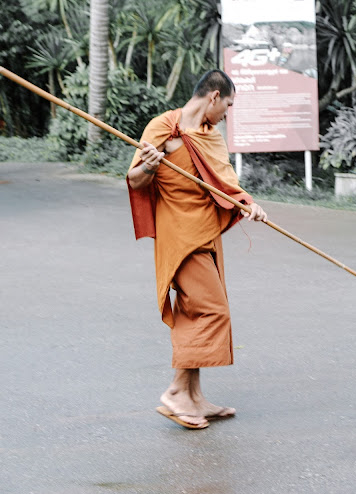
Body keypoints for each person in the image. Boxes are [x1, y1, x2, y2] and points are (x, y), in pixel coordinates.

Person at [127, 69, 267, 429]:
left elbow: (226, 182)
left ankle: (195, 397)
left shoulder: (210, 136)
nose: (227, 114)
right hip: (180, 237)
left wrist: (247, 203)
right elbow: (135, 180)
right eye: (228, 106)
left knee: (194, 312)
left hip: (207, 234)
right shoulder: (162, 127)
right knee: (213, 310)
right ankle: (176, 391)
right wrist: (149, 166)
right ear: (214, 97)